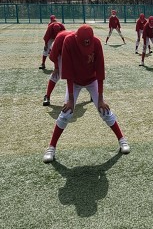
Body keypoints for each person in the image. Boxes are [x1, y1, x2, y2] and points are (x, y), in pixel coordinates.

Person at [42, 24, 130, 163]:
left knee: (104, 110)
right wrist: (70, 99)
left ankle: (122, 140)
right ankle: (51, 148)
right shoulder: (68, 42)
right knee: (66, 112)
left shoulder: (96, 43)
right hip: (75, 81)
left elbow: (100, 72)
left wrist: (100, 98)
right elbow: (68, 72)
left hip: (92, 80)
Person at [42, 27, 71, 106]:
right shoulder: (57, 42)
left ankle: (91, 93)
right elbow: (53, 55)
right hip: (58, 52)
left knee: (79, 74)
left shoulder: (76, 40)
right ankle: (47, 96)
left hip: (69, 52)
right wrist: (56, 67)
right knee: (57, 74)